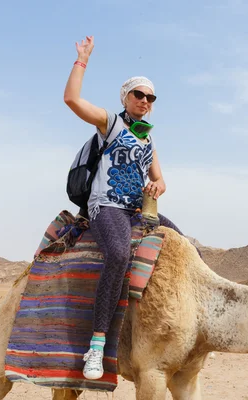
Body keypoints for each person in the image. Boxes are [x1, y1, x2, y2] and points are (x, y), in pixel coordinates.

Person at [64, 35, 184, 380]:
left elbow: (161, 180)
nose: (145, 101)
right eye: (139, 94)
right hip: (107, 207)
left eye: (150, 97)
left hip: (137, 210)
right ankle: (97, 345)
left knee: (185, 245)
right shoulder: (110, 124)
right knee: (117, 255)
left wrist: (156, 185)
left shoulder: (149, 138)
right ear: (126, 97)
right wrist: (82, 59)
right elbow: (71, 99)